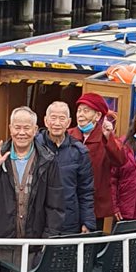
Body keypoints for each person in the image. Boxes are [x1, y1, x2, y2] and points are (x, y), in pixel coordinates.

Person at [0, 106, 64, 241]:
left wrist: (48, 239)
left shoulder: (47, 160)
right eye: (17, 128)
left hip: (35, 241)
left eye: (27, 128)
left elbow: (56, 205)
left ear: (35, 130)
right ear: (10, 128)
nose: (21, 133)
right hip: (2, 238)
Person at [37, 100, 96, 234]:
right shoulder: (35, 146)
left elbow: (85, 190)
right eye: (53, 118)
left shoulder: (79, 151)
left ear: (68, 123)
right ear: (46, 121)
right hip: (40, 221)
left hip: (69, 220)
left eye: (62, 119)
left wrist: (87, 221)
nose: (57, 123)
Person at [68, 92, 126, 227]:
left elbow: (120, 160)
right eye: (79, 110)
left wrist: (108, 137)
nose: (80, 114)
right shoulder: (69, 135)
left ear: (98, 116)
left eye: (86, 111)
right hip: (69, 204)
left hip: (94, 205)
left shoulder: (105, 137)